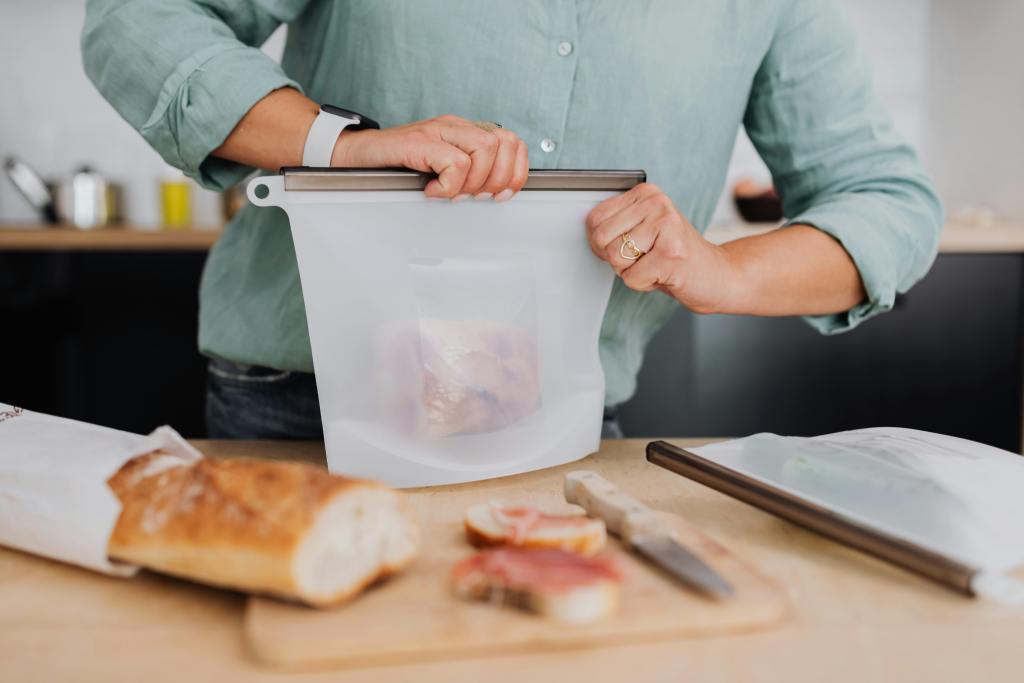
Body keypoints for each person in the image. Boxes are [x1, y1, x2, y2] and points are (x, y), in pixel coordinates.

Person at [82, 1, 942, 439]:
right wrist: (341, 146)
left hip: (563, 414)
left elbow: (887, 199)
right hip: (302, 406)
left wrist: (727, 270)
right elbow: (139, 16)